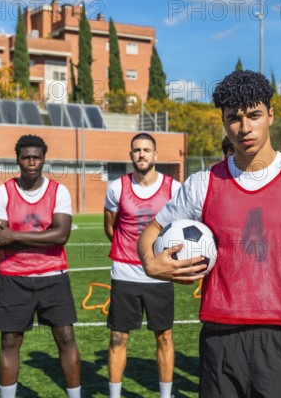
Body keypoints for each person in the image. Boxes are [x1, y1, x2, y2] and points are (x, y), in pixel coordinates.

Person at [138, 69, 281, 397]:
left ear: (271, 116)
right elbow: (150, 233)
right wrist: (150, 264)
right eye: (234, 118)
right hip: (220, 338)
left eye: (254, 115)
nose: (245, 127)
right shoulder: (203, 183)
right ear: (223, 121)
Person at [0, 134, 81, 398]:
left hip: (53, 276)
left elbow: (61, 235)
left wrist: (15, 235)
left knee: (65, 338)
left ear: (43, 160)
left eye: (36, 157)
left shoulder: (58, 191)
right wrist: (43, 235)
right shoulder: (0, 193)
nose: (31, 162)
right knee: (10, 340)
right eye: (26, 157)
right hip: (12, 278)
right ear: (17, 159)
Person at [104, 133, 182, 398]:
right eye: (136, 150)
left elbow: (181, 228)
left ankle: (165, 394)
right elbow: (110, 227)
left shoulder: (174, 188)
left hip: (159, 275)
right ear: (130, 155)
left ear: (155, 155)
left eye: (146, 150)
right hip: (125, 273)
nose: (141, 154)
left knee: (165, 337)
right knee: (118, 338)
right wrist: (132, 252)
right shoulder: (117, 187)